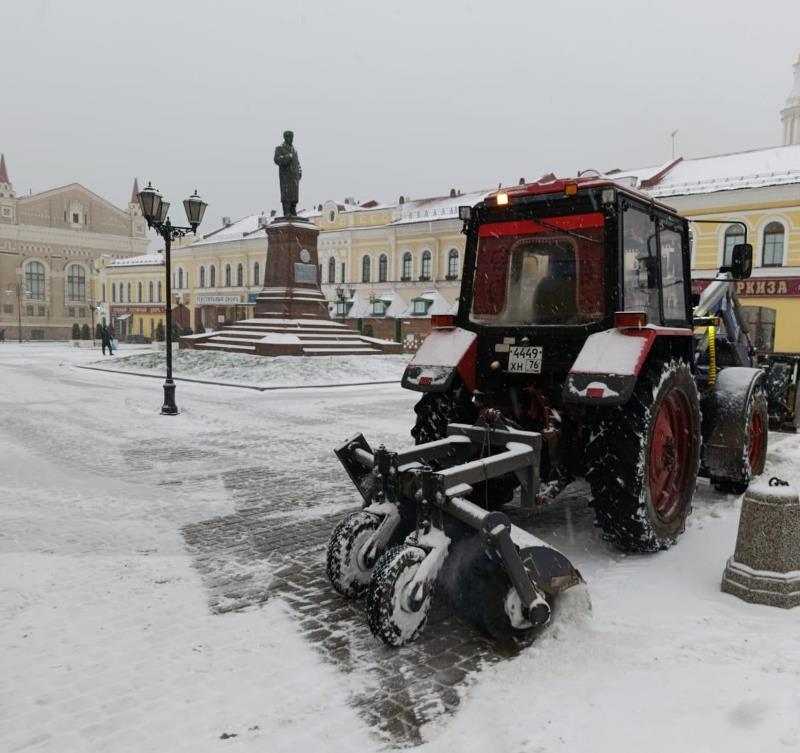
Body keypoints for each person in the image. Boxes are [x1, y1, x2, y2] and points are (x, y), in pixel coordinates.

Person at [273, 130, 302, 217]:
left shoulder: (294, 150)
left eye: (292, 137)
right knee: (286, 194)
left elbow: (297, 163)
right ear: (285, 138)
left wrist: (299, 172)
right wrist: (288, 157)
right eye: (289, 137)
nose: (291, 139)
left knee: (294, 195)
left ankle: (293, 210)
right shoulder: (280, 148)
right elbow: (277, 159)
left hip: (294, 177)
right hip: (285, 177)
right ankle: (286, 211)